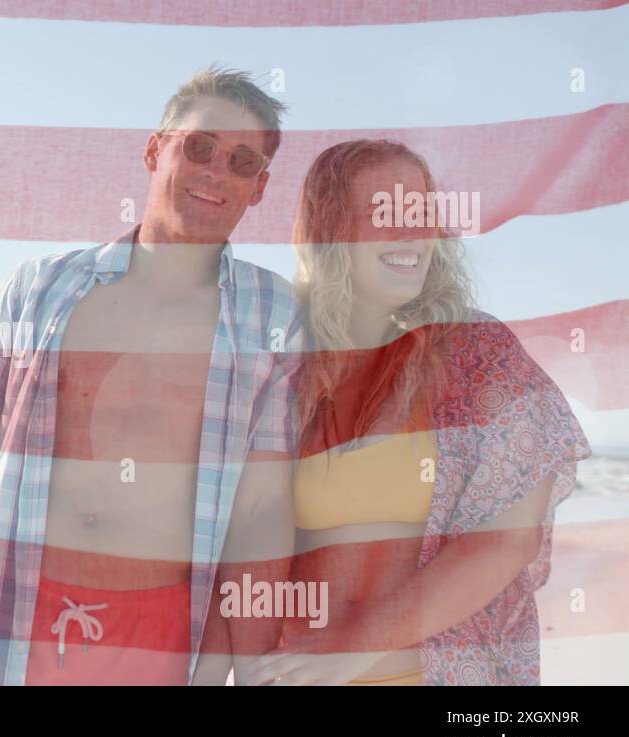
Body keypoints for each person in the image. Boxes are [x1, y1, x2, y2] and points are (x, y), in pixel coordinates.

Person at [0, 67, 301, 685]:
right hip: (9, 624)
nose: (216, 171)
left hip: (166, 642)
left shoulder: (275, 318)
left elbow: (260, 516)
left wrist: (245, 671)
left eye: (242, 161)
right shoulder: (39, 289)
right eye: (199, 147)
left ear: (260, 188)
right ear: (154, 149)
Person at [240, 139, 591, 686]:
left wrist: (355, 648)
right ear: (329, 232)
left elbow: (507, 538)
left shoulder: (478, 355)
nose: (409, 230)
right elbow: (244, 546)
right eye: (383, 211)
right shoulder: (287, 370)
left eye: (421, 210)